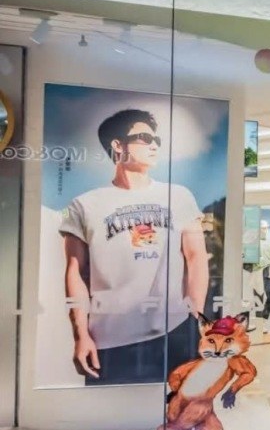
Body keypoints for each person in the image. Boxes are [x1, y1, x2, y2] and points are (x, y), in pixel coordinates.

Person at [61, 109, 208, 385]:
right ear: (118, 145)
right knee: (110, 411)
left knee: (179, 409)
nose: (154, 145)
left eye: (156, 140)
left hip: (174, 332)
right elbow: (75, 273)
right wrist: (81, 334)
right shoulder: (84, 205)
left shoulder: (178, 196)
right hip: (110, 340)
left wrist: (196, 320)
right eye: (144, 138)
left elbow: (196, 256)